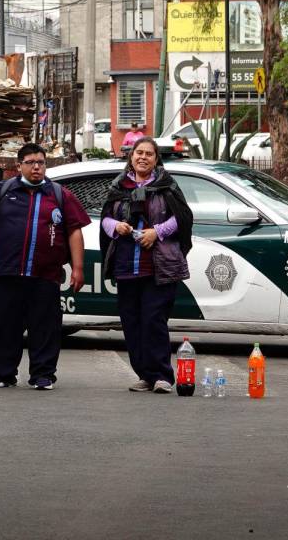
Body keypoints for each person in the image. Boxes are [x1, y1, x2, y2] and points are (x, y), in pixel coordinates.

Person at [0, 143, 89, 390]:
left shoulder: (59, 194)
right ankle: (3, 374)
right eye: (31, 162)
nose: (36, 167)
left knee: (45, 327)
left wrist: (78, 268)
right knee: (5, 325)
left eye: (41, 162)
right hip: (7, 272)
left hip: (45, 274)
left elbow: (75, 231)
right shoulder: (4, 190)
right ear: (19, 165)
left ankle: (43, 375)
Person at [99, 137, 194, 394]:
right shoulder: (119, 186)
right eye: (138, 153)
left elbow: (183, 217)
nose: (143, 157)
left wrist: (157, 232)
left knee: (154, 320)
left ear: (156, 159)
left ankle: (162, 375)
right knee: (132, 323)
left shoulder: (167, 186)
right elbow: (105, 219)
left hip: (158, 267)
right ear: (131, 157)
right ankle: (145, 375)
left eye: (148, 154)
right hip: (126, 267)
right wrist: (116, 227)